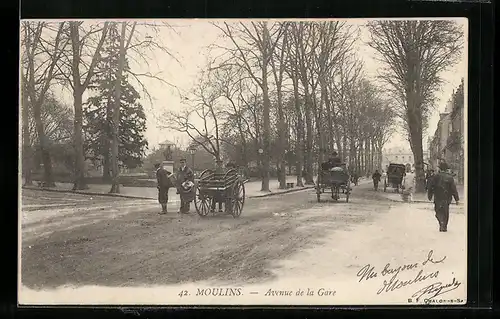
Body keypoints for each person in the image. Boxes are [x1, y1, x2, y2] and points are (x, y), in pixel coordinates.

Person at [427, 162, 460, 232]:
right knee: (445, 211)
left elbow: (431, 187)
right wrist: (457, 199)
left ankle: (441, 222)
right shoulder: (450, 177)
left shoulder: (436, 176)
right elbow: (453, 189)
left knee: (438, 210)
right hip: (447, 197)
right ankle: (444, 225)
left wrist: (430, 195)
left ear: (439, 168)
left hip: (438, 197)